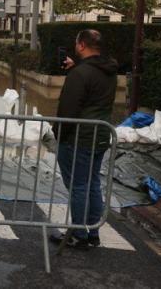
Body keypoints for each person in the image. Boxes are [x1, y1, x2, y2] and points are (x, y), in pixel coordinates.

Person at [51, 29, 118, 249]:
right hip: (100, 135)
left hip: (79, 138)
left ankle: (78, 234)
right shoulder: (108, 70)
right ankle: (92, 232)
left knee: (78, 186)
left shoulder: (79, 75)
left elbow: (68, 109)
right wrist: (77, 69)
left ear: (81, 45)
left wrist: (58, 133)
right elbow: (93, 89)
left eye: (76, 43)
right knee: (92, 184)